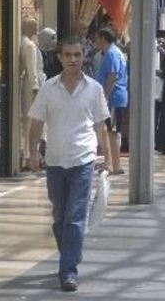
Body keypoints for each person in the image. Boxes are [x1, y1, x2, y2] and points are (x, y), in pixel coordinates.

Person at [27, 37, 110, 292]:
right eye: (68, 55)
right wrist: (32, 152)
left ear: (83, 57)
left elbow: (100, 125)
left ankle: (68, 271)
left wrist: (106, 156)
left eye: (77, 55)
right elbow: (37, 122)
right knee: (60, 216)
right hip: (54, 160)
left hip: (82, 159)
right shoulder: (49, 88)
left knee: (74, 217)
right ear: (60, 58)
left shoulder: (94, 89)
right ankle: (71, 253)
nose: (73, 59)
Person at [95, 28, 127, 175]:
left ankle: (115, 165)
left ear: (103, 38)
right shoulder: (115, 52)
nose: (96, 42)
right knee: (110, 130)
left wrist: (105, 96)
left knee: (113, 131)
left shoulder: (112, 53)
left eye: (97, 39)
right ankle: (110, 163)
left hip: (114, 97)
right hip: (117, 97)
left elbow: (112, 75)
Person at [20, 18, 44, 170]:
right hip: (31, 87)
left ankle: (29, 155)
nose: (36, 29)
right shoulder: (29, 45)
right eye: (34, 26)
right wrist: (35, 87)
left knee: (28, 121)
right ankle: (29, 156)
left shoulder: (25, 42)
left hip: (28, 85)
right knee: (31, 121)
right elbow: (31, 69)